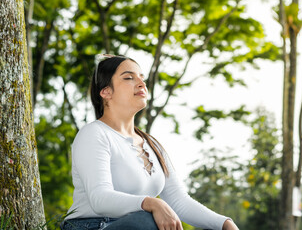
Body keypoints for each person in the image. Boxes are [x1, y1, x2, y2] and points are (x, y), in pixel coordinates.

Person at [61, 54, 239, 230]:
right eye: (129, 77)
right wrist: (151, 203)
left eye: (141, 78)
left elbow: (179, 201)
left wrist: (224, 223)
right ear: (106, 91)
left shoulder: (152, 144)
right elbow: (99, 198)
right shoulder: (94, 133)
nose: (141, 83)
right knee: (147, 220)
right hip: (94, 226)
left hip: (140, 224)